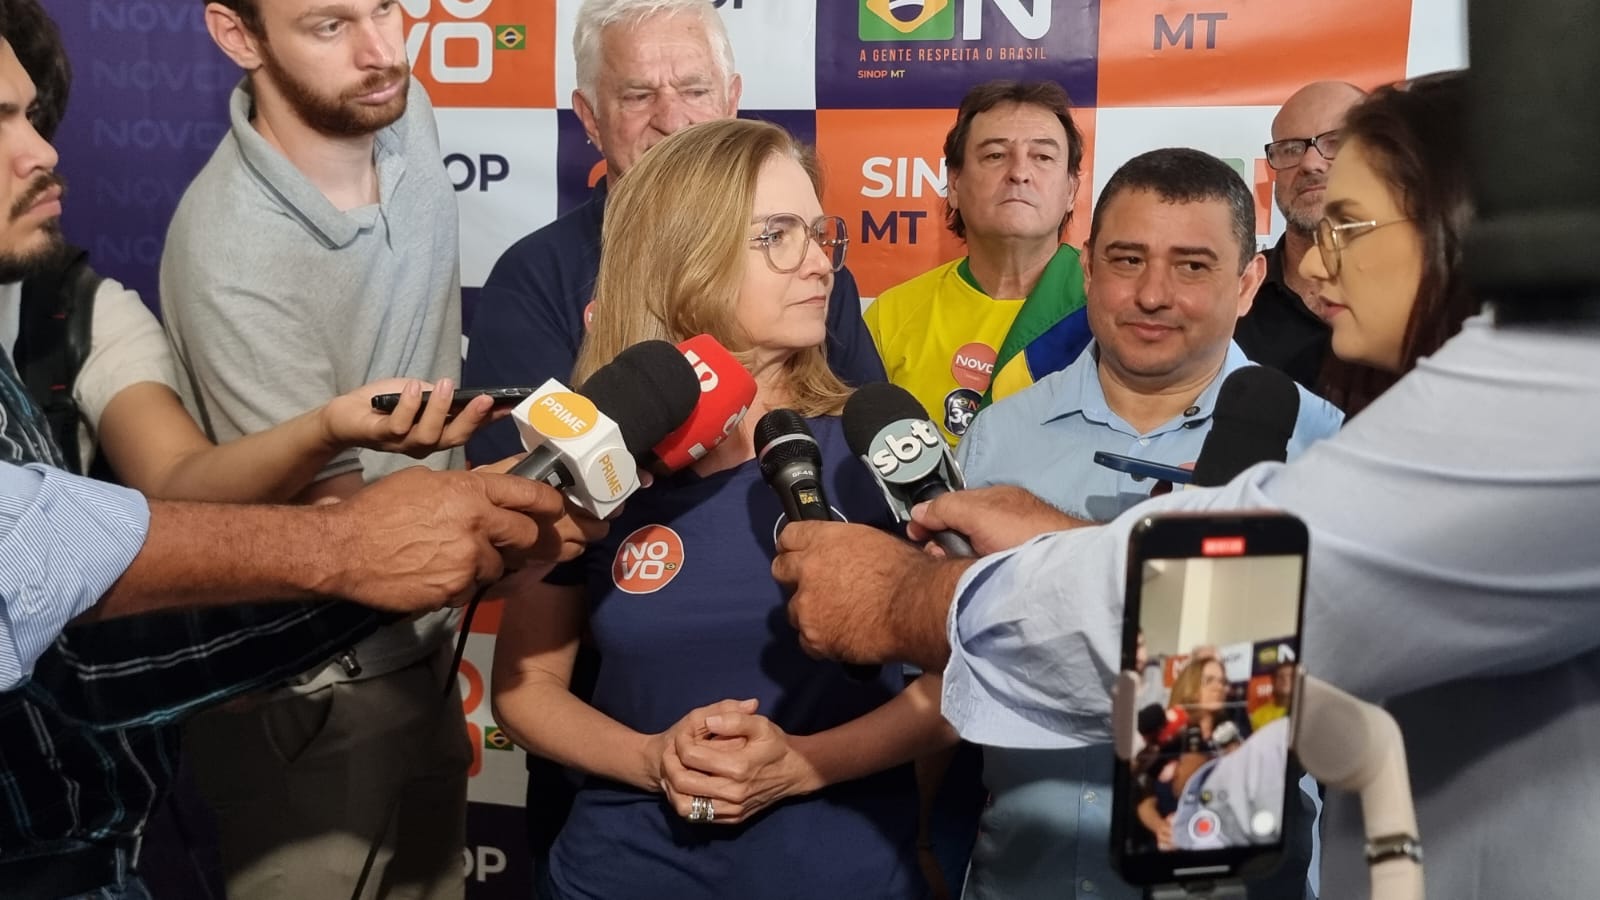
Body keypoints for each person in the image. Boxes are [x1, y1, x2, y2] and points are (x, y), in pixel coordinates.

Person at [776, 70, 1600, 898]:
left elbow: (1229, 618)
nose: (1319, 260)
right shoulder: (1468, 407)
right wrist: (1057, 540)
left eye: (1348, 225)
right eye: (1127, 260)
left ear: (1467, 229)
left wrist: (905, 599)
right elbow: (1254, 585)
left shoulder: (1545, 415)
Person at [490, 118, 952, 899]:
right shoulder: (602, 456)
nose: (819, 262)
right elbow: (525, 687)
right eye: (777, 235)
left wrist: (803, 766)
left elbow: (962, 681)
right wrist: (652, 760)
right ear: (685, 257)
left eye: (819, 233)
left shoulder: (879, 447)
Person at [951, 147, 1338, 900]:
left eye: (1192, 266)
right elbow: (943, 668)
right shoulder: (998, 436)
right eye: (1127, 260)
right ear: (1087, 269)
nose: (1152, 295)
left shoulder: (1320, 443)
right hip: (1022, 876)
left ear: (1248, 283)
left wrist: (1048, 538)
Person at [159, 1, 481, 897]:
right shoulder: (230, 248)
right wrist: (509, 514)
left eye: (385, 8)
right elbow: (344, 533)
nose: (383, 53)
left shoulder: (399, 107)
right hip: (308, 695)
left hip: (426, 649)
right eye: (329, 26)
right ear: (239, 37)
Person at [464, 0, 885, 464]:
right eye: (638, 95)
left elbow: (870, 436)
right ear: (589, 117)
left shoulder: (810, 272)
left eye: (695, 90)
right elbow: (523, 484)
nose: (672, 120)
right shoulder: (534, 277)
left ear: (731, 101)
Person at [865, 80, 1091, 444]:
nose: (1019, 172)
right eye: (995, 155)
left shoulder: (1108, 307)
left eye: (1043, 157)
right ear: (954, 185)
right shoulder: (890, 316)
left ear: (1071, 191)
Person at [1234, 81, 1397, 414]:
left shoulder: (1429, 301)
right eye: (1290, 149)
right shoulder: (1231, 296)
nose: (1310, 163)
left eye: (1335, 142)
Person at [1251, 663, 1296, 731]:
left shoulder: (1305, 712)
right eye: (1280, 676)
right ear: (1273, 682)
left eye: (1291, 676)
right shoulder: (1258, 716)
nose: (1285, 679)